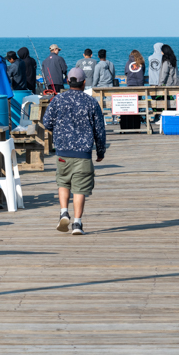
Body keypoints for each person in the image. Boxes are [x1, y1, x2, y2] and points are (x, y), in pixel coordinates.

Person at [42, 67, 106, 235]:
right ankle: (77, 223)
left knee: (63, 182)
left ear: (68, 82)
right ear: (84, 83)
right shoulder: (91, 102)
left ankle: (64, 212)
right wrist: (100, 152)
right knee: (80, 188)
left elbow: (47, 122)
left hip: (63, 152)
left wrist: (58, 131)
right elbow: (99, 130)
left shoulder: (57, 100)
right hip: (83, 153)